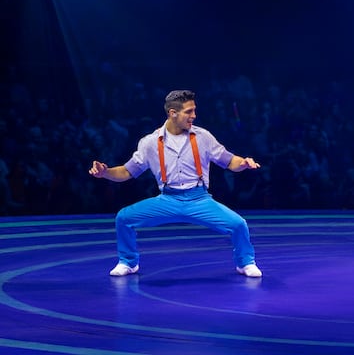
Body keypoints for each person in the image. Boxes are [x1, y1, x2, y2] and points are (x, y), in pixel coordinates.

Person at [89, 89, 262, 278]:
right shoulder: (150, 142)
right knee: (124, 218)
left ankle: (245, 263)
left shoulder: (203, 137)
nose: (194, 116)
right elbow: (126, 172)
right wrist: (105, 173)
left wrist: (243, 163)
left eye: (194, 110)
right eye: (189, 111)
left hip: (199, 199)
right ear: (173, 113)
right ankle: (128, 262)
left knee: (238, 224)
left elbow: (229, 161)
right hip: (168, 199)